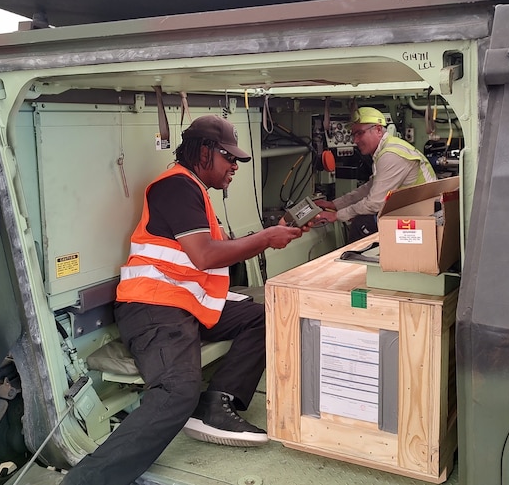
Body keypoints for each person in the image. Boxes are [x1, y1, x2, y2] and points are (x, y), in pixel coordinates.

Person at [61, 114, 309, 485]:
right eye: (229, 158)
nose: (234, 168)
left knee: (263, 315)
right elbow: (205, 256)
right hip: (152, 307)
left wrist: (273, 233)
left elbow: (212, 252)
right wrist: (264, 239)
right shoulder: (175, 187)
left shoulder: (193, 191)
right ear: (205, 152)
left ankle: (216, 403)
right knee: (176, 391)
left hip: (186, 303)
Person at [315, 106, 437, 242]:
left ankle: (358, 262)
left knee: (361, 224)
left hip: (421, 219)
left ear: (378, 130)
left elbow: (374, 204)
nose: (355, 140)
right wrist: (334, 204)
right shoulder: (388, 149)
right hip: (418, 212)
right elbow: (370, 187)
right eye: (353, 134)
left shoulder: (391, 155)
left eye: (360, 133)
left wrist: (337, 215)